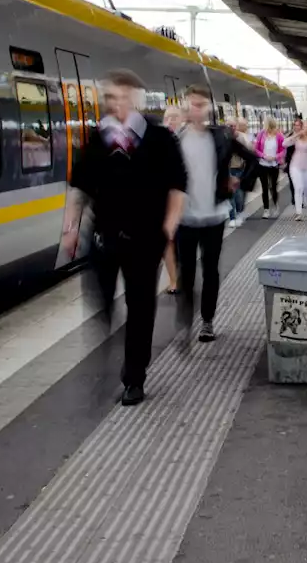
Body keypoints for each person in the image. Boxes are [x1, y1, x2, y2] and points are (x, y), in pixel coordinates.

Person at [62, 69, 186, 407]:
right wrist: (71, 228)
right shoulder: (97, 140)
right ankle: (106, 343)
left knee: (141, 307)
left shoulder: (160, 139)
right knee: (100, 299)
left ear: (137, 99)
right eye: (111, 98)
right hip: (104, 237)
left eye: (123, 98)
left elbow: (177, 186)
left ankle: (134, 377)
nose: (117, 105)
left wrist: (169, 227)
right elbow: (79, 187)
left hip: (146, 239)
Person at [174, 85, 258, 343]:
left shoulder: (221, 136)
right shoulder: (175, 140)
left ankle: (207, 321)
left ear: (208, 108)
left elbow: (252, 159)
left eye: (200, 104)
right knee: (185, 272)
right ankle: (186, 318)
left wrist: (238, 182)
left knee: (210, 270)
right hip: (185, 217)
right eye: (191, 104)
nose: (196, 109)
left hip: (213, 216)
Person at [163, 106, 185, 294]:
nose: (170, 121)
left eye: (174, 117)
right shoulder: (157, 143)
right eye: (167, 117)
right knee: (168, 241)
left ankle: (184, 274)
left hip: (185, 201)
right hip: (165, 200)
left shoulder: (187, 141)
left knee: (183, 241)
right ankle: (173, 280)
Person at [253, 118, 285, 219]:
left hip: (274, 164)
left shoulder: (279, 135)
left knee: (273, 187)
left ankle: (276, 206)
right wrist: (263, 156)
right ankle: (266, 210)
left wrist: (275, 157)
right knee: (264, 187)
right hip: (263, 164)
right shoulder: (261, 134)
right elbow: (256, 149)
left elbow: (283, 149)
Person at [284, 120, 307, 221]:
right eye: (302, 127)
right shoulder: (297, 137)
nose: (303, 129)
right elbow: (284, 143)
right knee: (298, 188)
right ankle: (298, 212)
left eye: (305, 127)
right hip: (295, 166)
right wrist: (295, 135)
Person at [228, 118, 252, 227]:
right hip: (228, 169)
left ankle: (239, 212)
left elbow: (248, 151)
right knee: (230, 194)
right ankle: (232, 217)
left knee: (238, 193)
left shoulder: (242, 137)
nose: (231, 128)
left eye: (233, 126)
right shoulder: (223, 137)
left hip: (239, 168)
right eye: (229, 126)